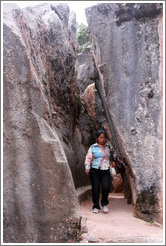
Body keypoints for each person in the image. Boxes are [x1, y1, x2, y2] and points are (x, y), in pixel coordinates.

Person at [84, 129, 116, 214]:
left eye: (104, 137)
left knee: (106, 188)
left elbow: (113, 156)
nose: (102, 139)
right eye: (100, 137)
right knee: (95, 189)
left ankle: (104, 204)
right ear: (97, 138)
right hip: (95, 170)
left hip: (105, 170)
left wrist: (113, 162)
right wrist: (87, 167)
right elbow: (88, 157)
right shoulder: (93, 147)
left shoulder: (109, 147)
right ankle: (96, 206)